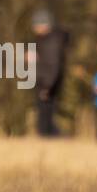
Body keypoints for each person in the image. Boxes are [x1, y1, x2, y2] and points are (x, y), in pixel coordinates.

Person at [30, 8, 69, 137]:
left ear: (44, 25)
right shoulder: (46, 40)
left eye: (36, 25)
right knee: (45, 116)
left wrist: (47, 86)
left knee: (45, 117)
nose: (34, 28)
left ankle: (54, 139)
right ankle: (51, 139)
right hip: (45, 82)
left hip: (47, 83)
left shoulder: (51, 42)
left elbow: (53, 66)